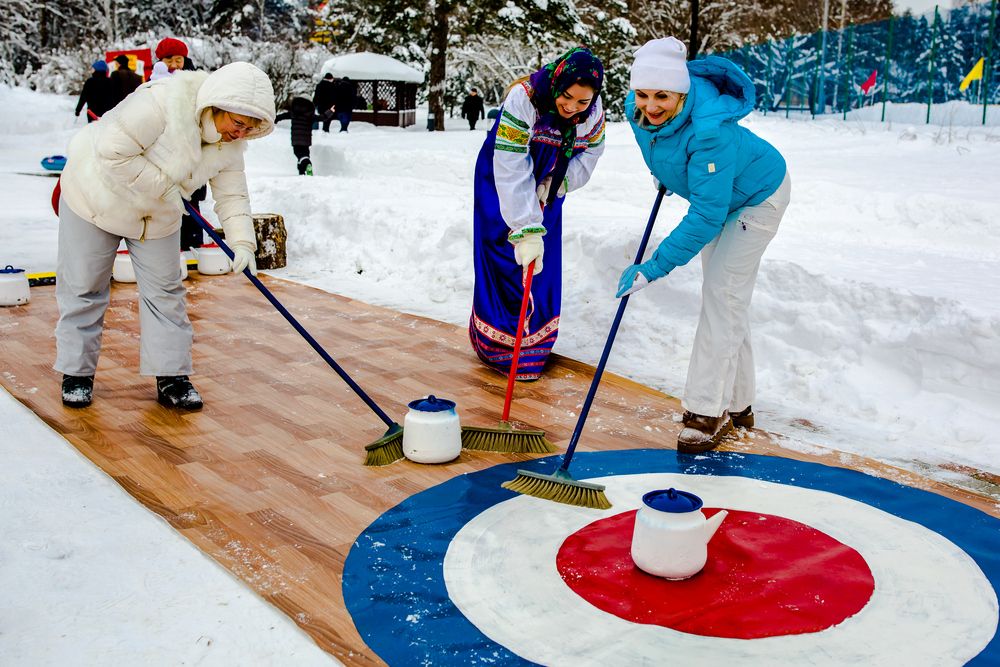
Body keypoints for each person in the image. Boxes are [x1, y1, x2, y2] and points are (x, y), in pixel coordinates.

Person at [55, 62, 276, 410]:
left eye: (250, 128)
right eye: (238, 123)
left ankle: (172, 376)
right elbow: (111, 152)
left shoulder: (231, 144)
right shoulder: (162, 104)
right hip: (96, 197)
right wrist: (165, 186)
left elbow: (233, 194)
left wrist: (243, 243)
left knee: (166, 292)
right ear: (216, 105)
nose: (241, 134)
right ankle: (76, 374)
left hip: (155, 214)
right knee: (85, 287)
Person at [615, 37, 790, 453]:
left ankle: (705, 411)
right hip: (720, 192)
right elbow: (662, 145)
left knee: (721, 296)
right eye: (643, 94)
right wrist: (673, 175)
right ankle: (739, 402)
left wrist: (653, 267)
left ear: (682, 92)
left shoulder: (710, 132)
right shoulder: (636, 110)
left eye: (663, 96)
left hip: (756, 197)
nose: (650, 106)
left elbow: (707, 217)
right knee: (727, 301)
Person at [469, 47, 606, 381]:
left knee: (541, 265)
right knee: (506, 254)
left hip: (552, 179)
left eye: (582, 102)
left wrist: (559, 183)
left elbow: (591, 153)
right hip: (501, 177)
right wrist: (526, 227)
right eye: (567, 98)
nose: (573, 107)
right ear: (557, 86)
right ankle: (496, 347)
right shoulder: (524, 98)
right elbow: (511, 164)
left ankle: (532, 350)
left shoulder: (593, 111)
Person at [179, 55, 207, 251]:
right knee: (189, 206)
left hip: (190, 158)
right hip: (191, 159)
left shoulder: (192, 92)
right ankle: (193, 242)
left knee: (188, 206)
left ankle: (191, 243)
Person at [275, 96, 326, 175]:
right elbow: (322, 118)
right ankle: (302, 171)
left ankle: (307, 164)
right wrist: (331, 111)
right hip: (306, 140)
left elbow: (281, 116)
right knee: (304, 155)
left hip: (296, 140)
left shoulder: (294, 112)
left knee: (300, 155)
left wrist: (274, 119)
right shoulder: (310, 114)